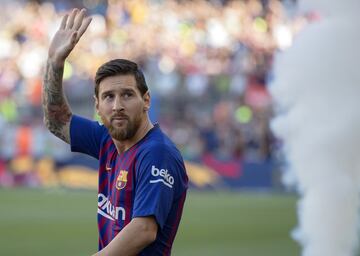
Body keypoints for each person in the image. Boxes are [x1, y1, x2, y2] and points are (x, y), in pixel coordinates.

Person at [42, 8, 188, 256]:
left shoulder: (157, 153)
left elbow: (144, 229)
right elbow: (56, 120)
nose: (117, 105)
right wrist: (55, 63)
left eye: (127, 95)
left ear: (147, 100)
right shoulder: (106, 140)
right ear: (97, 106)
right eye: (108, 97)